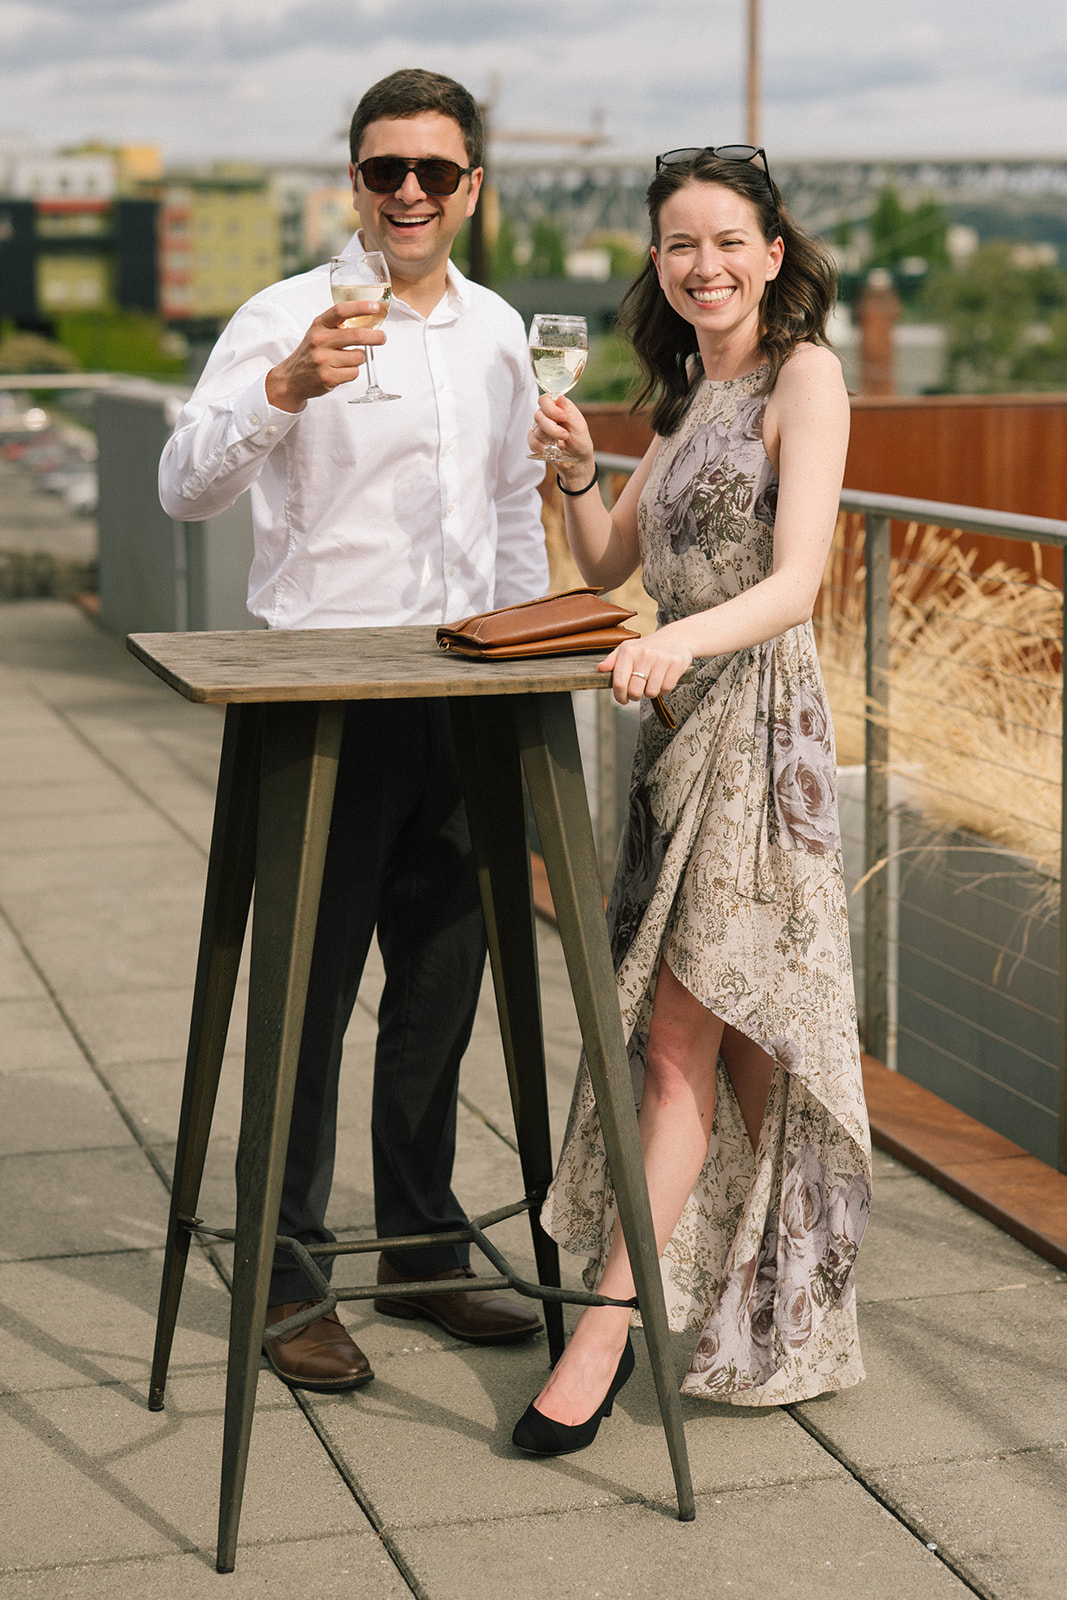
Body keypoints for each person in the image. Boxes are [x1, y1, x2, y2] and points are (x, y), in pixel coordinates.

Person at [159, 69, 546, 1393]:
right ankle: (285, 1278)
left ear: (472, 187)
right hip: (319, 697)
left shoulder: (499, 332)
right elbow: (183, 489)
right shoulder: (288, 314)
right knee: (306, 1004)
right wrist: (282, 385)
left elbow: (509, 518)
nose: (411, 194)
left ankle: (426, 1249)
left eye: (436, 172)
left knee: (442, 993)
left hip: (461, 696)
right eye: (387, 170)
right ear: (356, 181)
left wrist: (524, 652)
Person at [511, 146, 871, 1455]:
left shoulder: (804, 376)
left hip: (759, 729)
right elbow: (613, 559)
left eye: (729, 240)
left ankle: (605, 1333)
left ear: (773, 253)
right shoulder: (675, 406)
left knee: (682, 1046)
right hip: (671, 741)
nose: (704, 265)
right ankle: (785, 1299)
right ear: (656, 267)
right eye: (679, 245)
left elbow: (799, 583)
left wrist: (685, 642)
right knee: (740, 1043)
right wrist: (573, 466)